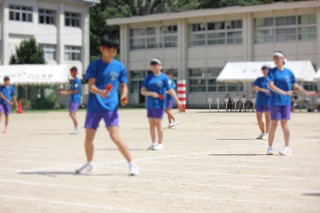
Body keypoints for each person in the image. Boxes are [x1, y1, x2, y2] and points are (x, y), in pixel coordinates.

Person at [75, 35, 139, 176]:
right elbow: (91, 86)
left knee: (115, 136)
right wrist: (100, 92)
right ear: (101, 49)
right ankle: (90, 163)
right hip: (94, 106)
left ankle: (131, 164)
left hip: (111, 107)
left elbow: (124, 85)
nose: (111, 53)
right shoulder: (94, 65)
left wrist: (124, 95)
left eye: (114, 50)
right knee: (89, 137)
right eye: (109, 50)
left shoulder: (119, 67)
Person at [266, 51, 317, 156]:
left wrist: (307, 93)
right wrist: (284, 92)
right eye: (274, 58)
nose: (276, 60)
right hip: (275, 102)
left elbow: (295, 87)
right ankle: (270, 148)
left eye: (278, 58)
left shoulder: (289, 73)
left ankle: (287, 148)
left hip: (285, 103)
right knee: (274, 125)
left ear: (283, 59)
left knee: (284, 125)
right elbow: (271, 86)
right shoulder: (271, 72)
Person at [141, 58, 183, 151]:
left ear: (160, 66)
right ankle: (153, 142)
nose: (154, 67)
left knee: (158, 123)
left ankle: (160, 143)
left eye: (156, 65)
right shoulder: (148, 77)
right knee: (151, 124)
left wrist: (178, 100)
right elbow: (143, 91)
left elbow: (171, 90)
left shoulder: (164, 78)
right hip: (150, 104)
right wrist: (151, 93)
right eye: (152, 65)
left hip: (159, 104)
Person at [59, 67, 82, 134]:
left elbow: (75, 90)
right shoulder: (74, 81)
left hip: (75, 99)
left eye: (71, 72)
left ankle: (77, 127)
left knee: (72, 114)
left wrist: (66, 93)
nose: (70, 74)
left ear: (74, 72)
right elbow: (71, 89)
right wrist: (64, 91)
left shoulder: (77, 81)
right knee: (72, 114)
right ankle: (76, 128)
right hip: (73, 98)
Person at [252, 65, 271, 140]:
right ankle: (262, 132)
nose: (264, 71)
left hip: (268, 101)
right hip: (259, 101)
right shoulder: (259, 79)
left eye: (265, 69)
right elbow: (253, 87)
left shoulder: (271, 80)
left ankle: (267, 133)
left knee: (267, 118)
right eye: (263, 69)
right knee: (259, 118)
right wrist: (263, 90)